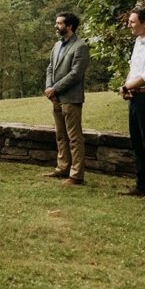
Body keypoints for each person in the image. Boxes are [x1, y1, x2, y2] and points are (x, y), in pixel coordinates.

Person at [41, 12, 90, 185]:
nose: (56, 26)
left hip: (71, 98)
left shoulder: (80, 46)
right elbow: (50, 68)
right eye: (56, 23)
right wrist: (49, 88)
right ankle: (62, 169)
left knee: (74, 138)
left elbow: (76, 74)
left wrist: (55, 88)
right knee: (60, 135)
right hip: (55, 98)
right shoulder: (57, 45)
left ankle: (76, 175)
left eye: (59, 23)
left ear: (69, 26)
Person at [118, 8, 145, 201]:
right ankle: (141, 186)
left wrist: (126, 87)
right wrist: (126, 87)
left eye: (132, 22)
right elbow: (133, 68)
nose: (129, 25)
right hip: (135, 96)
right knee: (137, 142)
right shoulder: (138, 42)